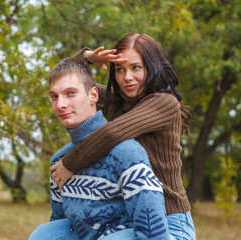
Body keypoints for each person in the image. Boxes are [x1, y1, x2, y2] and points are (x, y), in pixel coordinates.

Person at [50, 33, 196, 240]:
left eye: (136, 67)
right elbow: (69, 83)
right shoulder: (118, 102)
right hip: (131, 219)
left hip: (170, 220)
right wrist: (86, 57)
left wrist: (70, 164)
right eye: (120, 69)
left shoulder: (164, 103)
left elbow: (112, 133)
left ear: (152, 67)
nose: (127, 77)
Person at [29, 56, 175, 239]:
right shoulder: (60, 162)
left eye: (71, 93)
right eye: (54, 96)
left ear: (93, 96)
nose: (60, 105)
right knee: (42, 235)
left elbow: (153, 232)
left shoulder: (127, 154)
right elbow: (59, 223)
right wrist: (85, 57)